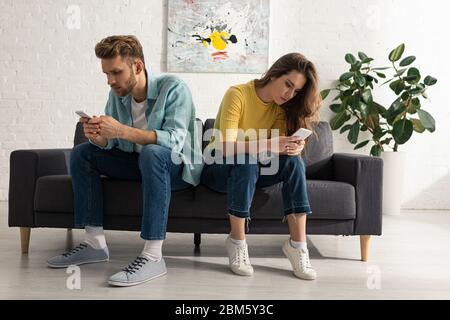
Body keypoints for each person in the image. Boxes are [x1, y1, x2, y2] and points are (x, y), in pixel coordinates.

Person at [47, 35, 203, 287]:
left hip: (175, 166)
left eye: (116, 72)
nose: (110, 81)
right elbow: (116, 144)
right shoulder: (117, 96)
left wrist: (120, 130)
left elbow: (174, 141)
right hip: (138, 163)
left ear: (138, 67)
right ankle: (95, 244)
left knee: (153, 153)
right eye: (106, 74)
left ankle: (153, 256)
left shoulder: (174, 88)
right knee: (82, 152)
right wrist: (99, 138)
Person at [201, 53, 321, 280]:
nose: (289, 94)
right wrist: (272, 144)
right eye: (288, 85)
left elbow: (269, 153)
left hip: (254, 168)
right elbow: (226, 147)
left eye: (296, 91)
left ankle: (298, 246)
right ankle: (237, 242)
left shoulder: (279, 108)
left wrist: (289, 147)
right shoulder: (237, 94)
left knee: (293, 162)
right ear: (275, 73)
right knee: (246, 159)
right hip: (217, 167)